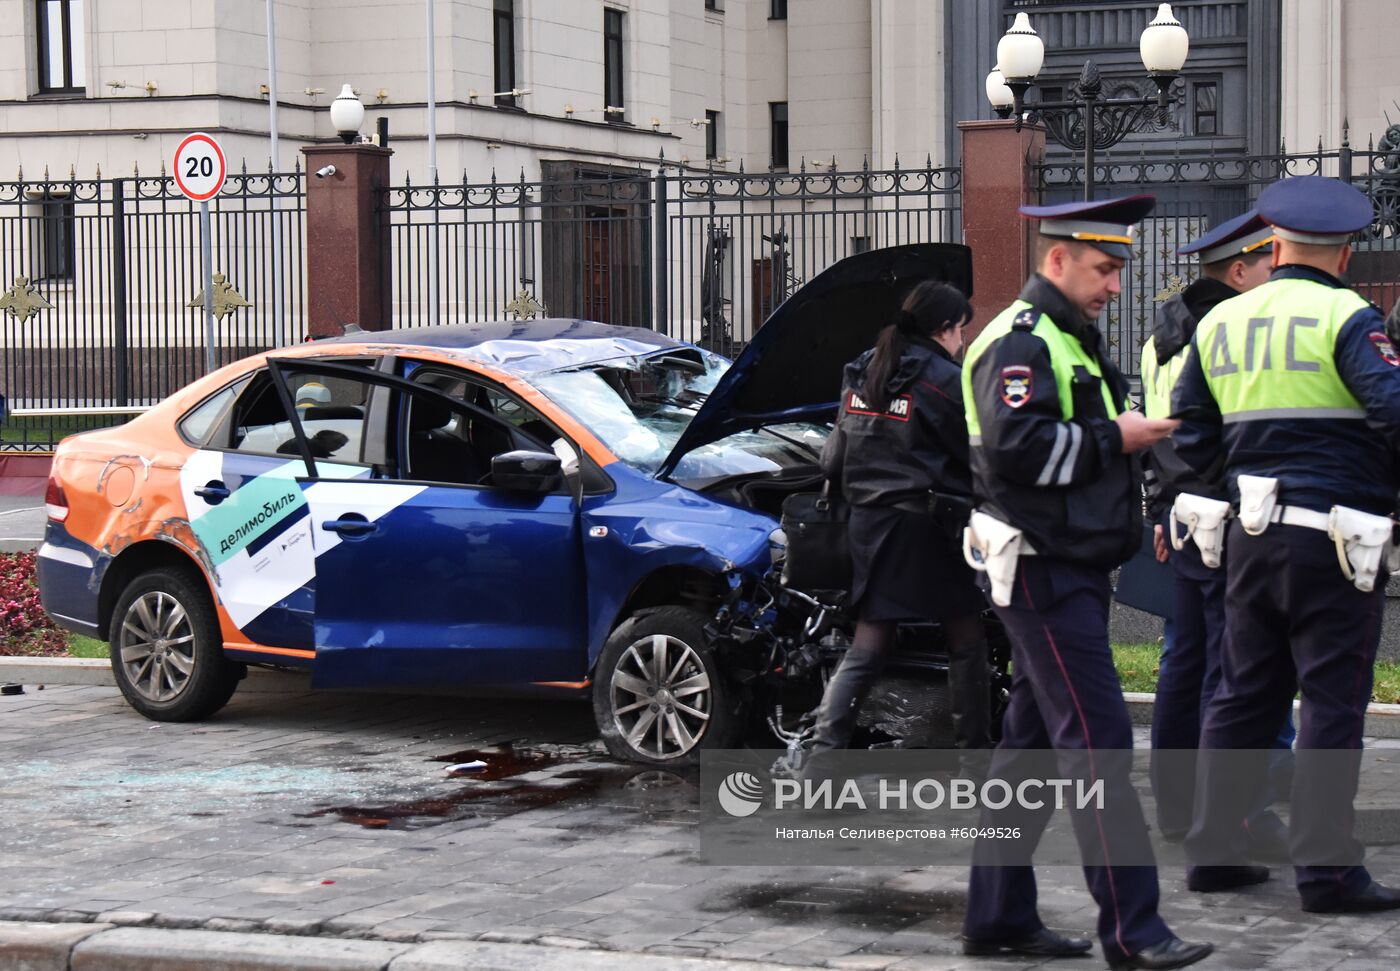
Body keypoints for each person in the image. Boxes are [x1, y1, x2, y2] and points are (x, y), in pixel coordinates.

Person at [959, 195, 1212, 970]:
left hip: (1065, 564)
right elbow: (1017, 449)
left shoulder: (1065, 337)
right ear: (1057, 259)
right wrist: (1118, 436)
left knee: (1028, 749)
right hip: (1044, 567)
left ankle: (997, 916)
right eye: (1104, 269)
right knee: (1098, 747)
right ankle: (1134, 931)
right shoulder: (1024, 341)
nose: (1113, 285)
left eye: (1118, 270)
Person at [1174, 175, 1400, 912]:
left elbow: (1192, 436)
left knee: (1241, 693)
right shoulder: (1348, 314)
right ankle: (1328, 872)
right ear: (1343, 255)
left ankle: (1214, 850)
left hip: (1250, 536)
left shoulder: (1221, 323)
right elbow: (1393, 412)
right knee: (1332, 702)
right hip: (1336, 540)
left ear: (1273, 247)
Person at [1140, 210, 1290, 853]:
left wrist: (1160, 511)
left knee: (1183, 660)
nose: (1276, 277)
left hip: (1180, 512)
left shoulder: (1159, 336)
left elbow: (1157, 428)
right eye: (1267, 266)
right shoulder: (1232, 330)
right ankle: (1245, 811)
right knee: (1246, 666)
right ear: (1238, 271)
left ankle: (1179, 806)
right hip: (1231, 515)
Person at [811, 281, 989, 764]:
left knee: (869, 644)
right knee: (966, 640)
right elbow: (974, 455)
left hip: (870, 527)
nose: (963, 341)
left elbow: (835, 458)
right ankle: (975, 759)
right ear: (946, 329)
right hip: (929, 530)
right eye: (962, 331)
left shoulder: (865, 368)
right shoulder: (944, 379)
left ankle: (822, 763)